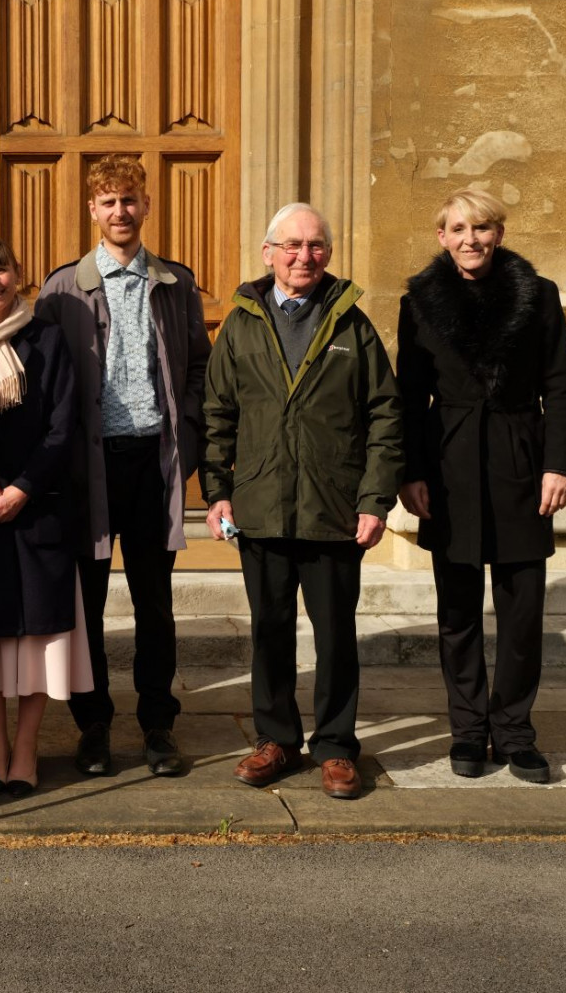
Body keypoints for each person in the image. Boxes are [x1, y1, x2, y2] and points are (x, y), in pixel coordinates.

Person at [202, 203, 403, 800]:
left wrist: (375, 499)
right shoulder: (240, 324)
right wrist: (216, 492)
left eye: (316, 246)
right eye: (291, 245)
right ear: (268, 254)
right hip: (261, 505)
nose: (303, 256)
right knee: (269, 629)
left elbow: (385, 416)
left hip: (333, 509)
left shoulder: (352, 325)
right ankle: (276, 740)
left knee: (336, 633)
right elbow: (217, 413)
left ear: (329, 255)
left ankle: (337, 748)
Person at [396, 188, 566, 784]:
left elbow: (562, 385)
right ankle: (469, 731)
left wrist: (558, 465)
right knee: (457, 611)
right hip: (448, 468)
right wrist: (410, 472)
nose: (470, 239)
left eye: (481, 228)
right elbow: (408, 395)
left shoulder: (539, 295)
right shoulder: (419, 302)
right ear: (441, 238)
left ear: (498, 234)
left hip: (521, 461)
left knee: (522, 609)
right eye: (458, 228)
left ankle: (516, 733)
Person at [35, 155, 210, 779]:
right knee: (88, 601)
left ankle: (159, 723)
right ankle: (95, 726)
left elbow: (197, 368)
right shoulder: (63, 288)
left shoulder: (175, 283)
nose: (120, 212)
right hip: (88, 469)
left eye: (130, 200)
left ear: (146, 205)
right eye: (108, 201)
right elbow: (43, 382)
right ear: (92, 210)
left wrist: (185, 436)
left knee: (154, 602)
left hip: (151, 463)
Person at [0, 237, 93, 798]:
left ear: (19, 274)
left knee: (38, 635)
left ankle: (28, 746)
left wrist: (24, 487)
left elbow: (64, 426)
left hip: (38, 507)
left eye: (2, 270)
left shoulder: (48, 338)